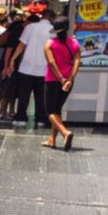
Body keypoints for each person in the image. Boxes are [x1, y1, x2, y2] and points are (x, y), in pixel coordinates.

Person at [11, 4, 55, 127]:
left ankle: (21, 118)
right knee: (40, 96)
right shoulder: (53, 30)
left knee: (23, 94)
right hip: (44, 68)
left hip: (26, 67)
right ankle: (41, 118)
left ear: (42, 16)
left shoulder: (30, 27)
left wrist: (12, 60)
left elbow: (21, 45)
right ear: (52, 18)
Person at [43, 16, 80, 151]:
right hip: (68, 82)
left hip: (53, 81)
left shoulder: (50, 43)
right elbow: (77, 61)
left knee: (50, 112)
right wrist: (69, 79)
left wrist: (61, 79)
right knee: (57, 110)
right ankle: (52, 140)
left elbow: (51, 63)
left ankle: (65, 132)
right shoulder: (74, 44)